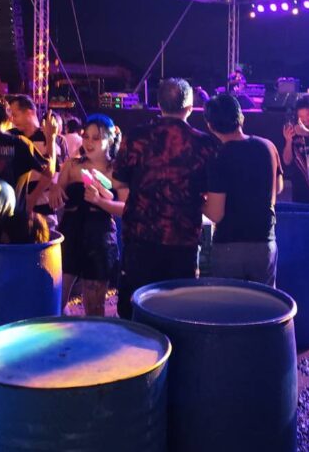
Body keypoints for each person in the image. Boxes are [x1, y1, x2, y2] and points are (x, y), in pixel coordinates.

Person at [112, 78, 219, 319]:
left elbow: (118, 181)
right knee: (178, 313)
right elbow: (211, 194)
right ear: (190, 108)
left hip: (140, 238)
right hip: (182, 241)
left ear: (159, 104)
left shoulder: (137, 137)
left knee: (136, 311)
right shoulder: (204, 144)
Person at [202, 94, 283, 286]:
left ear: (210, 126)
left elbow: (216, 214)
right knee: (264, 302)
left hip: (229, 245)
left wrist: (198, 201)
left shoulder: (218, 158)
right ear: (241, 117)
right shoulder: (267, 146)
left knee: (229, 303)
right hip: (264, 241)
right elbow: (279, 187)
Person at [49, 114, 123, 316]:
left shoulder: (116, 171)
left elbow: (126, 207)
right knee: (56, 299)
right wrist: (55, 190)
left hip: (99, 237)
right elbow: (57, 196)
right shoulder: (72, 166)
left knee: (94, 306)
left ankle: (93, 336)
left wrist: (100, 201)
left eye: (96, 138)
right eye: (86, 136)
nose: (89, 143)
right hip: (70, 233)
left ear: (110, 140)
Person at [7, 95, 61, 229]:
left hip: (44, 210)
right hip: (16, 208)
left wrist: (33, 197)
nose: (12, 120)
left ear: (29, 112)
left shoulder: (48, 136)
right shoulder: (11, 136)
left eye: (15, 115)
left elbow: (53, 171)